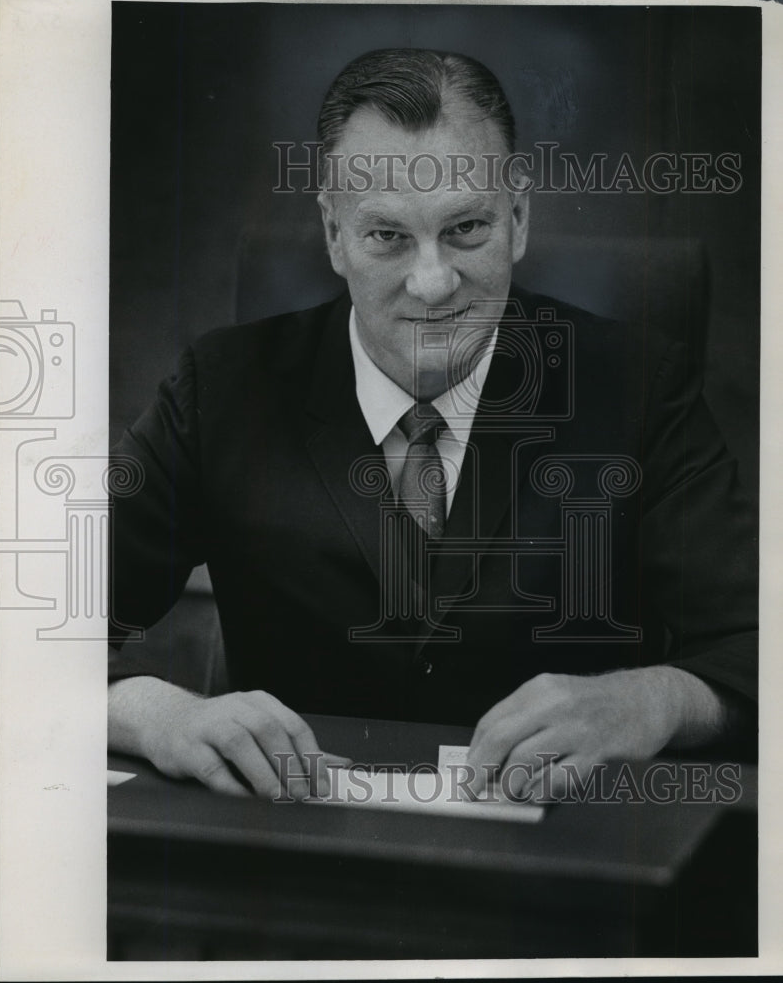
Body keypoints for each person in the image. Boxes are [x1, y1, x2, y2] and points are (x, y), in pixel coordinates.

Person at [108, 48, 757, 801]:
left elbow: (757, 646)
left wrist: (653, 700)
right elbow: (38, 627)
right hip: (289, 858)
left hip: (565, 870)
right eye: (388, 236)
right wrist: (155, 713)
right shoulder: (219, 388)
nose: (433, 282)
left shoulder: (641, 387)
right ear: (334, 236)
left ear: (516, 219)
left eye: (466, 229)